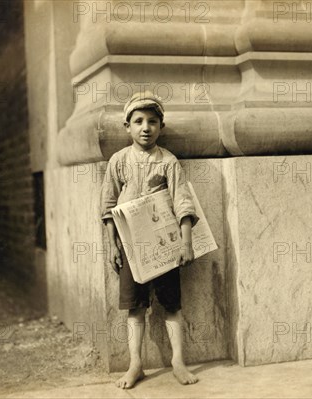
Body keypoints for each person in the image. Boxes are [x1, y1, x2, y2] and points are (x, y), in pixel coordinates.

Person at [100, 91, 199, 389]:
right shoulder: (118, 161)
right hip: (132, 247)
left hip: (164, 246)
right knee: (135, 306)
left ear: (161, 127)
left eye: (153, 121)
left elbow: (183, 202)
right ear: (127, 126)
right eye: (139, 121)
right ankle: (136, 363)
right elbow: (107, 206)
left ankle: (178, 361)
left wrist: (185, 242)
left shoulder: (168, 161)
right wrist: (112, 244)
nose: (146, 127)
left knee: (172, 304)